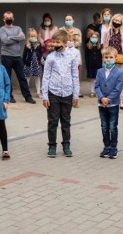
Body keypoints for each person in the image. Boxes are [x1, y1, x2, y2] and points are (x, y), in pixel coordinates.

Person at [42, 30, 80, 158]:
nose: (55, 44)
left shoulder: (72, 56)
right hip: (53, 93)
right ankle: (52, 146)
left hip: (68, 93)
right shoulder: (50, 57)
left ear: (64, 43)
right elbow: (46, 77)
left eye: (57, 42)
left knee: (66, 121)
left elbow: (75, 76)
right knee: (53, 121)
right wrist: (45, 95)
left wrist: (76, 94)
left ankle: (66, 145)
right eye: (53, 42)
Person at [0, 11, 36, 104]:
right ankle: (9, 97)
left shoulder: (18, 28)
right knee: (7, 78)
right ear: (4, 19)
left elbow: (22, 37)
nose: (9, 19)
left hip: (17, 57)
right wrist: (16, 37)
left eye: (10, 17)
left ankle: (28, 97)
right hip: (6, 56)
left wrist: (10, 37)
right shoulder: (2, 29)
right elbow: (4, 41)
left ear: (13, 18)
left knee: (22, 77)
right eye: (7, 18)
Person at [94, 47, 123, 159]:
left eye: (111, 57)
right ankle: (106, 146)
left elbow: (118, 88)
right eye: (106, 57)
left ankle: (113, 148)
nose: (108, 59)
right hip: (101, 104)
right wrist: (101, 97)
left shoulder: (119, 72)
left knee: (112, 126)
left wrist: (108, 99)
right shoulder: (100, 71)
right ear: (103, 59)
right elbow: (96, 86)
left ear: (115, 58)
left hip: (113, 104)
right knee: (104, 126)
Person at [102, 13, 123, 109]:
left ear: (122, 22)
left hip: (120, 58)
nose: (116, 22)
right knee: (108, 79)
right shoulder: (107, 32)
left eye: (118, 21)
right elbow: (105, 45)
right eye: (115, 20)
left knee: (120, 80)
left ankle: (121, 101)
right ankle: (108, 99)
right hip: (109, 58)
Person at [23, 28, 43, 98]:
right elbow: (24, 55)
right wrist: (24, 63)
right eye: (31, 36)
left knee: (37, 78)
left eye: (34, 36)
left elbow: (41, 54)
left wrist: (41, 61)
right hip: (29, 64)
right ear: (29, 37)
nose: (33, 37)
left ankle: (38, 92)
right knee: (27, 78)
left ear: (37, 36)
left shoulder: (39, 45)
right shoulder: (27, 45)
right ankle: (26, 92)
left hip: (37, 64)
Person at [85, 31, 103, 97]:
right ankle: (92, 91)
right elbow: (86, 56)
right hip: (90, 65)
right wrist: (87, 64)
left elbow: (101, 56)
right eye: (93, 37)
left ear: (98, 38)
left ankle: (97, 91)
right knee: (91, 79)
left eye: (96, 37)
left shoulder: (100, 46)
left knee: (97, 79)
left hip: (98, 65)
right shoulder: (88, 46)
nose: (94, 38)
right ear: (90, 38)